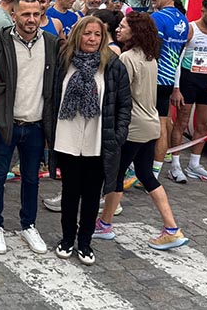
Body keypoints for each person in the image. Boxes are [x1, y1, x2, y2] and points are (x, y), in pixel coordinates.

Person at [93, 12, 188, 250]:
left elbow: (120, 96)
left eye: (124, 27)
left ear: (135, 32)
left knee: (115, 175)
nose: (119, 30)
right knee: (146, 175)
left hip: (132, 126)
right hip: (150, 123)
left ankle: (105, 224)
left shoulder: (126, 58)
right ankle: (171, 227)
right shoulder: (150, 58)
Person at [0, 0, 59, 255]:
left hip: (36, 125)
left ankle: (29, 224)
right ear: (13, 15)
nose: (31, 19)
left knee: (31, 179)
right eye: (25, 14)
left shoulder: (51, 44)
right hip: (6, 124)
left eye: (36, 14)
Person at [51, 17, 131, 265]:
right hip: (67, 138)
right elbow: (52, 96)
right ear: (78, 35)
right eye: (87, 34)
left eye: (97, 35)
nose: (92, 39)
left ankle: (85, 242)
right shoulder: (64, 62)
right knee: (70, 192)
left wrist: (117, 136)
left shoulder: (113, 66)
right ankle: (66, 239)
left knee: (91, 194)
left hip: (98, 140)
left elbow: (124, 105)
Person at [169, 0, 207, 183]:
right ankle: (175, 165)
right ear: (203, 10)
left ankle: (194, 164)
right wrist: (176, 88)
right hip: (188, 78)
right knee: (182, 122)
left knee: (203, 124)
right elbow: (177, 60)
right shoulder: (190, 30)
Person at [148, 0, 188, 180]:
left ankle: (140, 170)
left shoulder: (158, 17)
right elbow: (178, 54)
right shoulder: (184, 20)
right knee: (163, 124)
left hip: (153, 79)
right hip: (169, 79)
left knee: (146, 125)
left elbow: (154, 48)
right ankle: (155, 172)